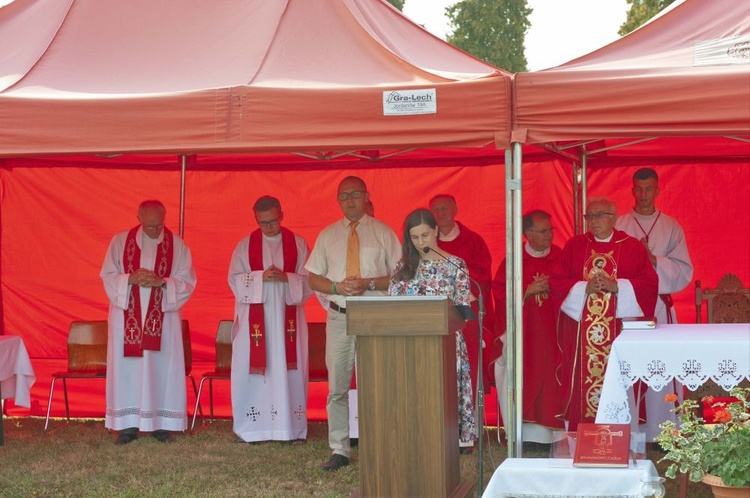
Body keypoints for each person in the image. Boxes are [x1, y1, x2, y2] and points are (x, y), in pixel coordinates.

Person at [305, 176, 401, 471]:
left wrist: (369, 283)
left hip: (373, 316)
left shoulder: (384, 232)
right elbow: (312, 277)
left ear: (366, 196)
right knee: (337, 387)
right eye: (343, 195)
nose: (349, 200)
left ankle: (381, 444)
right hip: (338, 316)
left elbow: (400, 275)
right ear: (338, 200)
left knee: (378, 384)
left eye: (355, 194)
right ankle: (340, 449)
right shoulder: (328, 235)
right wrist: (336, 288)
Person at [550, 197, 658, 432]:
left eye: (599, 215)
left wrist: (617, 285)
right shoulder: (575, 246)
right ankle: (582, 437)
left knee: (618, 377)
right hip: (582, 338)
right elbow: (556, 281)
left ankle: (619, 436)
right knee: (582, 383)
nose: (593, 221)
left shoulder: (631, 247)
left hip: (618, 333)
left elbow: (650, 284)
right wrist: (583, 288)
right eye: (589, 216)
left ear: (613, 218)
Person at [100, 199, 197, 445]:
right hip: (127, 321)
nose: (156, 231)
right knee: (128, 371)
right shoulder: (120, 242)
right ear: (139, 218)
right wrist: (129, 279)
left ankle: (162, 424)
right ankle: (127, 426)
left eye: (159, 225)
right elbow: (108, 276)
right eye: (150, 226)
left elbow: (188, 282)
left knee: (161, 368)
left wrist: (162, 282)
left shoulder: (178, 246)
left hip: (163, 320)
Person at [389, 208, 476, 454]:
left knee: (444, 395)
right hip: (410, 345)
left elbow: (462, 311)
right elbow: (392, 309)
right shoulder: (402, 268)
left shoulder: (455, 264)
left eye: (425, 235)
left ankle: (450, 440)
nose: (420, 242)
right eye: (414, 238)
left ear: (436, 231)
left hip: (445, 345)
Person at [615, 167, 694, 440]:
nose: (643, 194)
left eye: (649, 189)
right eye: (639, 188)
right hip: (629, 308)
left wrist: (653, 260)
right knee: (629, 367)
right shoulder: (620, 224)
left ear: (658, 191)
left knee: (662, 365)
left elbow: (684, 269)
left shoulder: (670, 226)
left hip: (659, 308)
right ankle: (630, 431)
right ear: (632, 190)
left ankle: (664, 431)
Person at [228, 196, 312, 443]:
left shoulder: (297, 243)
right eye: (263, 223)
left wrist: (287, 278)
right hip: (256, 323)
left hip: (289, 322)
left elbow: (311, 280)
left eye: (272, 221)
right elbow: (234, 279)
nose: (268, 227)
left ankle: (290, 429)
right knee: (256, 374)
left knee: (289, 371)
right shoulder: (245, 246)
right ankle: (255, 428)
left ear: (281, 215)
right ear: (255, 219)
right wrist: (260, 278)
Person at [492, 210, 565, 445]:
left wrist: (552, 286)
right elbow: (500, 292)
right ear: (528, 234)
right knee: (525, 374)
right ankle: (524, 437)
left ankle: (552, 438)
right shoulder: (513, 260)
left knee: (553, 380)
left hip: (555, 333)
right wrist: (526, 290)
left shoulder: (561, 256)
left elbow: (572, 286)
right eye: (544, 231)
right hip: (524, 334)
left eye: (551, 230)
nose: (550, 236)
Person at [429, 194, 495, 397]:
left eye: (445, 209)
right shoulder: (427, 241)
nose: (441, 213)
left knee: (470, 357)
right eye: (436, 210)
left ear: (455, 210)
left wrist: (453, 278)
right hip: (435, 311)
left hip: (466, 309)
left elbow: (482, 275)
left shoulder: (473, 240)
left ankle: (471, 413)